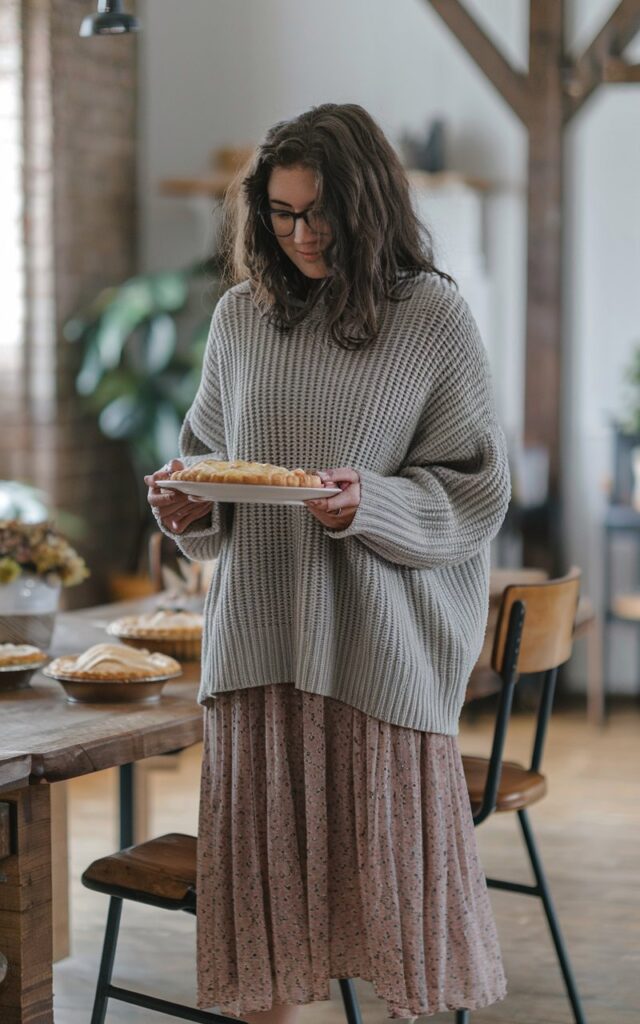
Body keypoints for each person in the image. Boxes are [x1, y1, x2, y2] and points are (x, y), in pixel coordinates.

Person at [145, 102, 511, 1024]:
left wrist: (369, 503)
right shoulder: (239, 318)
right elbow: (208, 464)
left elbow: (475, 487)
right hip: (258, 650)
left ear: (367, 205)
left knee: (398, 932)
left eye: (319, 214)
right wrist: (189, 507)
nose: (301, 236)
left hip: (377, 659)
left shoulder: (431, 317)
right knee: (264, 932)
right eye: (281, 214)